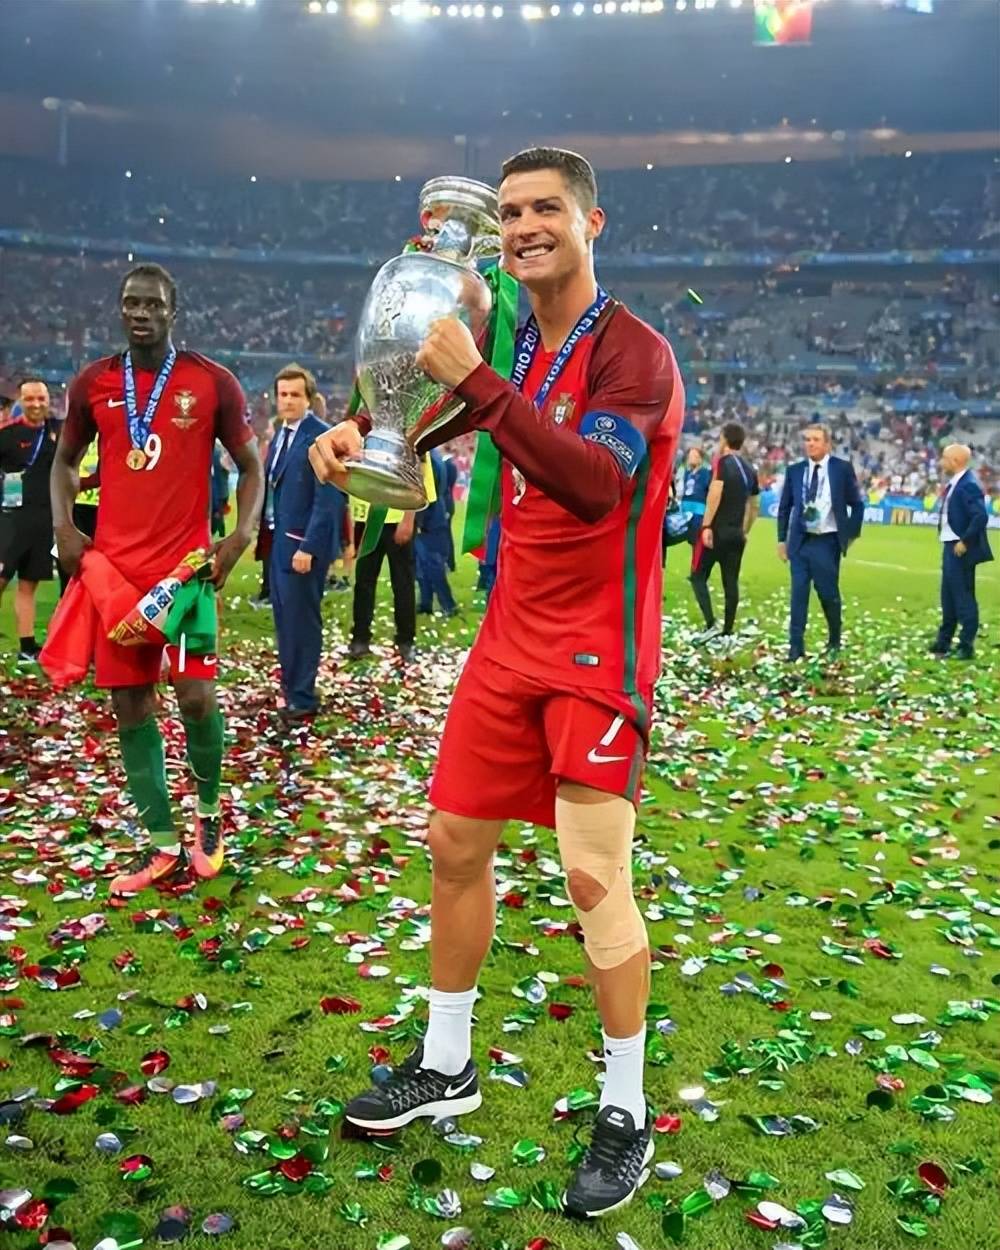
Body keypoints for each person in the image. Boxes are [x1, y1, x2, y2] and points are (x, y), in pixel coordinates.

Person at [311, 146, 684, 1219]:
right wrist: (360, 434)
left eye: (545, 209)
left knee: (593, 876)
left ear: (591, 223)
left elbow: (594, 485)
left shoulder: (635, 354)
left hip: (599, 649)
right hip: (510, 637)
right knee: (454, 841)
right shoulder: (507, 336)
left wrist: (477, 381)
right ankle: (447, 1062)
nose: (523, 227)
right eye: (511, 211)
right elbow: (430, 418)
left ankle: (625, 1107)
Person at [49, 262, 263, 894]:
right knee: (131, 706)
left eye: (152, 304)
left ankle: (208, 816)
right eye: (131, 303)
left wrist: (241, 535)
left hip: (185, 575)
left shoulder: (211, 382)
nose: (140, 313)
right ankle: (163, 844)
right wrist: (63, 525)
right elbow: (64, 462)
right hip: (115, 577)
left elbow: (251, 465)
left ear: (174, 310)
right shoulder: (94, 383)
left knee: (196, 697)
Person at [263, 364, 342, 719]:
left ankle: (304, 697)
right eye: (283, 394)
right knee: (285, 620)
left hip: (302, 547)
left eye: (295, 395)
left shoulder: (321, 437)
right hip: (279, 543)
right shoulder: (280, 435)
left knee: (303, 622)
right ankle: (291, 688)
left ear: (309, 398)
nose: (288, 401)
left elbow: (328, 501)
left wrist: (309, 546)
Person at [777, 423, 864, 662]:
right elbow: (785, 507)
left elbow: (857, 505)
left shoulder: (841, 469)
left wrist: (850, 535)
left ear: (827, 444)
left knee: (827, 593)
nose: (811, 444)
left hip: (827, 542)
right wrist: (781, 540)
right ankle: (795, 648)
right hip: (800, 542)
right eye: (807, 439)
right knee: (798, 594)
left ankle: (834, 640)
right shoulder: (795, 471)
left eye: (816, 439)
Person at [0, 377, 58, 661]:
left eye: (41, 398)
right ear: (21, 401)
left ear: (49, 400)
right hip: (10, 519)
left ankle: (26, 648)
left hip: (43, 519)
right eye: (30, 399)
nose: (36, 404)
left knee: (28, 584)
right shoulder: (7, 434)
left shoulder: (58, 432)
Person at [689, 422, 759, 645]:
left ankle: (711, 624)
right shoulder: (750, 469)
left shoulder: (722, 462)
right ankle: (728, 631)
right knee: (731, 582)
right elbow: (754, 505)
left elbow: (715, 493)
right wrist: (745, 530)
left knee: (697, 575)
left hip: (717, 532)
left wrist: (706, 526)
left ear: (724, 439)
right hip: (737, 534)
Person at [930, 443, 993, 660]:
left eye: (944, 458)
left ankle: (966, 645)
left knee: (963, 597)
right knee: (948, 596)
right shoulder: (957, 483)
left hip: (960, 549)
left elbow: (980, 516)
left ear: (955, 461)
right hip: (950, 545)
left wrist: (965, 541)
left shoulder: (968, 485)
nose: (941, 462)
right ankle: (943, 641)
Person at [348, 494, 417, 664]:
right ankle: (360, 637)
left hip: (396, 518)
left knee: (403, 584)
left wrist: (408, 519)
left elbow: (415, 484)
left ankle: (406, 640)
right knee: (363, 582)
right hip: (366, 519)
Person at [415, 447, 458, 618]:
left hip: (429, 517)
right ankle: (425, 602)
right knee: (422, 563)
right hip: (435, 514)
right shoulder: (434, 455)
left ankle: (448, 604)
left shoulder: (428, 459)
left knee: (431, 563)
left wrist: (419, 520)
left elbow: (426, 490)